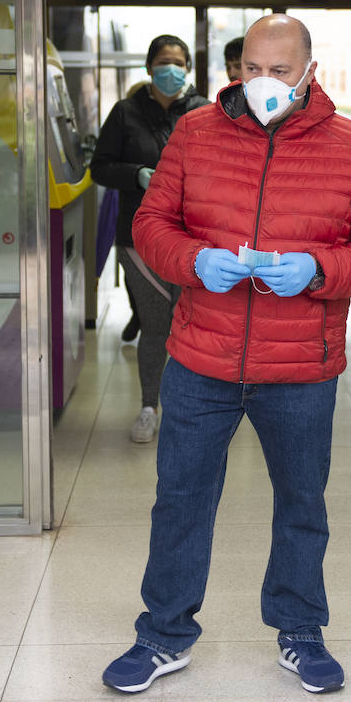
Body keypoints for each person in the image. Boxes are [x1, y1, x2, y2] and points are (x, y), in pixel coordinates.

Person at [102, 14, 351, 695]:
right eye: (251, 69)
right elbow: (151, 223)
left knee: (302, 503)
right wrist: (191, 260)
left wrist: (317, 270)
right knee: (180, 500)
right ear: (235, 70)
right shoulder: (195, 133)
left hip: (300, 367)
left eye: (279, 70)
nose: (263, 83)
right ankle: (163, 634)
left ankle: (299, 631)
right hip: (200, 359)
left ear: (309, 72)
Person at [90, 35, 208, 442]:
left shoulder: (205, 111)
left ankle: (192, 410)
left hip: (194, 240)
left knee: (194, 325)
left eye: (178, 62)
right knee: (157, 325)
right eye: (163, 62)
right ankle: (149, 407)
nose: (170, 69)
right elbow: (100, 168)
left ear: (188, 68)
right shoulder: (125, 113)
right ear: (148, 67)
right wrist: (137, 174)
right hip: (139, 239)